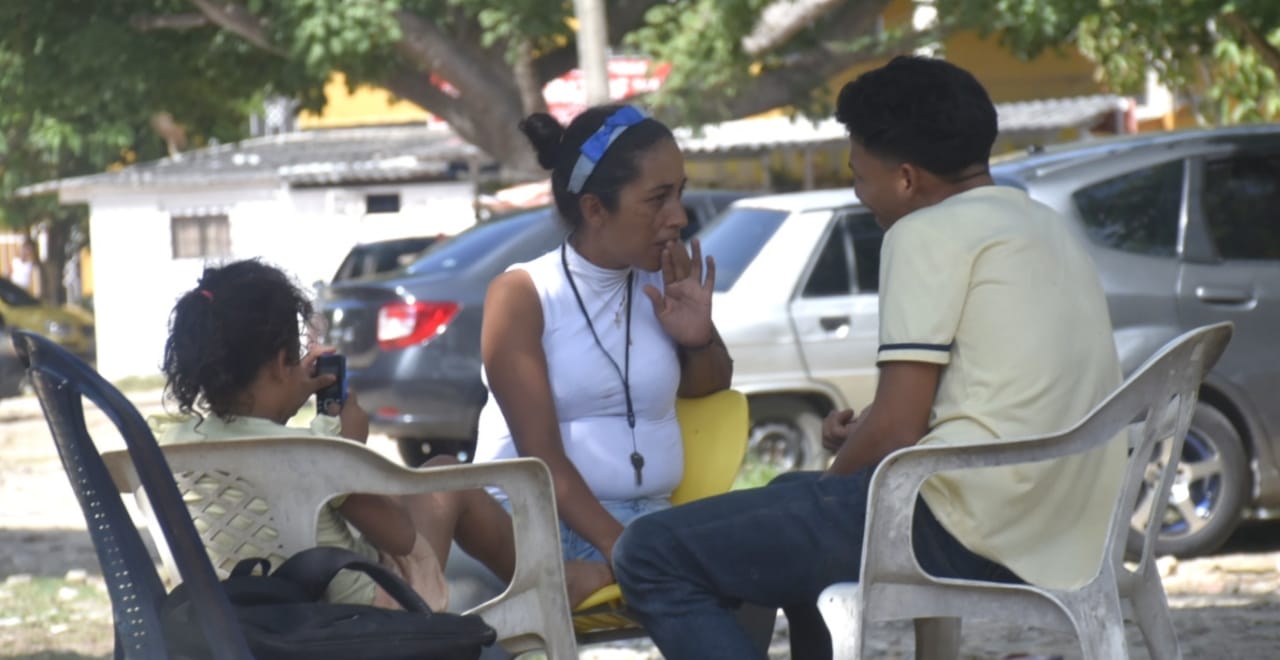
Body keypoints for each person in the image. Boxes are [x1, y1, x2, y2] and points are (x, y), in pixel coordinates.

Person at [611, 55, 1126, 660]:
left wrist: (837, 480)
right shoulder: (1041, 223)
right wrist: (855, 449)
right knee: (787, 492)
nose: (860, 194)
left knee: (648, 552)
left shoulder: (922, 232)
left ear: (906, 179)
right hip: (1064, 521)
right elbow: (993, 395)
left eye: (859, 176)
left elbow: (898, 425)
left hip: (967, 524)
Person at [158, 258, 610, 610]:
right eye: (295, 357)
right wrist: (350, 452)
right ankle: (552, 579)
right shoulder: (314, 455)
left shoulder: (170, 450)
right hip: (360, 622)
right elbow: (399, 536)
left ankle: (551, 576)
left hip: (233, 625)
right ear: (280, 364)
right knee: (449, 477)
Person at [473, 104, 733, 575]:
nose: (678, 216)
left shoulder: (660, 281)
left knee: (766, 565)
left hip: (648, 521)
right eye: (658, 199)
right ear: (595, 208)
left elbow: (710, 390)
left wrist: (698, 338)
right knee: (714, 580)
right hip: (547, 526)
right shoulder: (522, 294)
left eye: (680, 193)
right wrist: (630, 552)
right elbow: (541, 460)